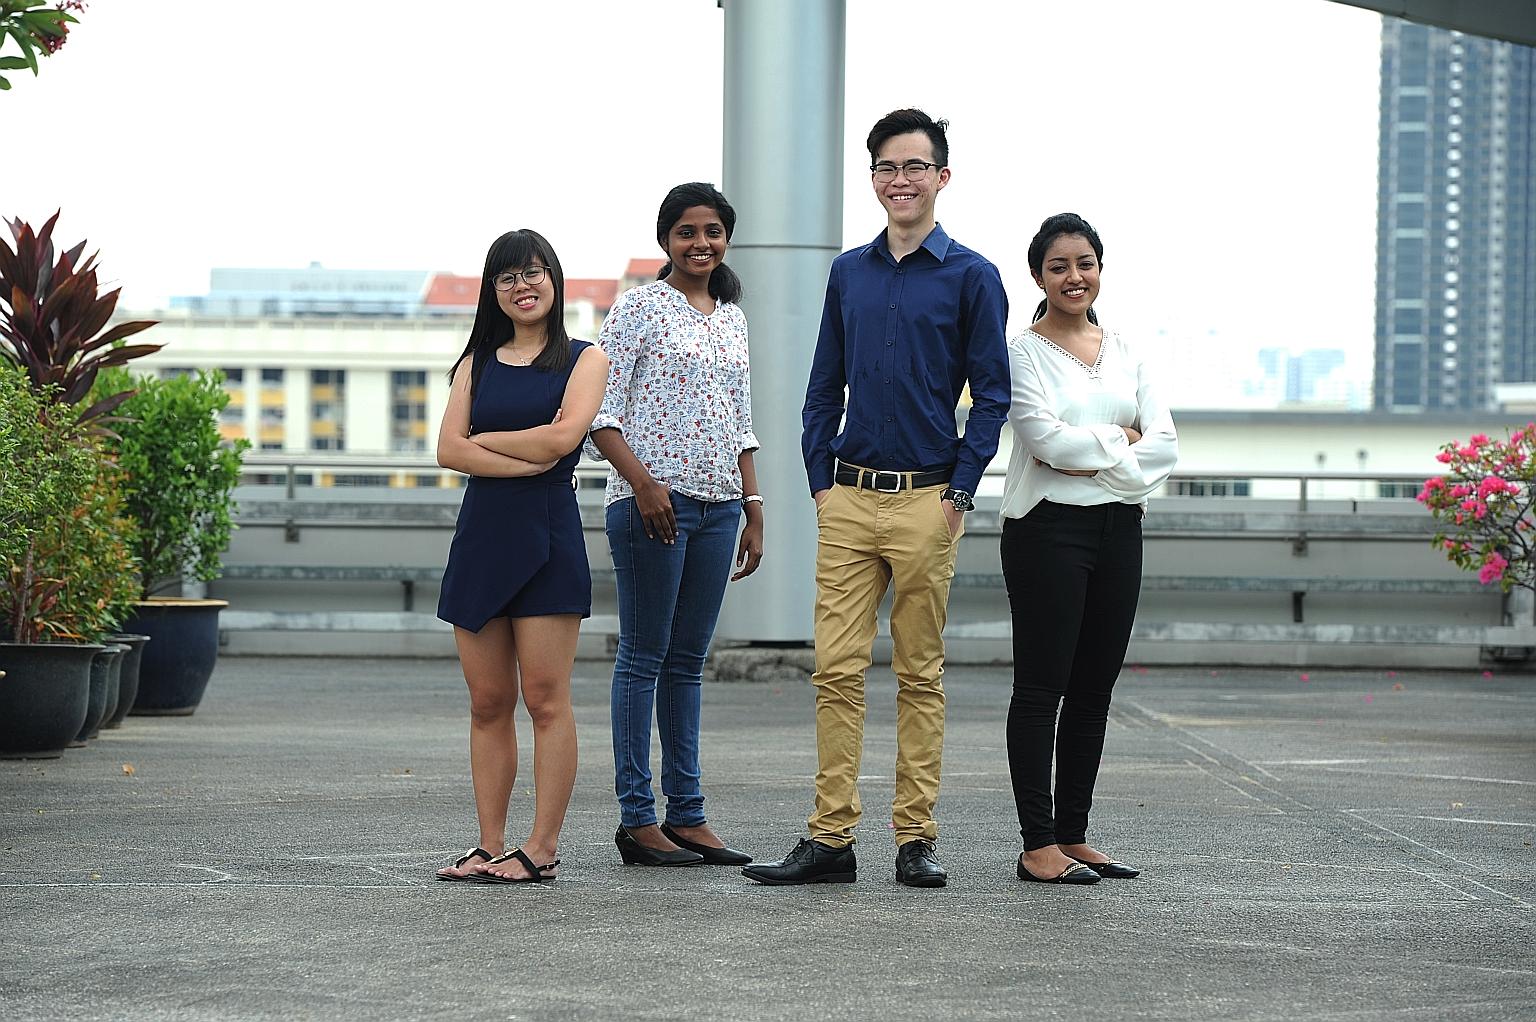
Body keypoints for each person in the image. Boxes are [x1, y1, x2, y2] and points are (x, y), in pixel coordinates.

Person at [744, 109, 1009, 888]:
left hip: (929, 500)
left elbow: (991, 396)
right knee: (835, 670)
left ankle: (914, 840)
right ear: (873, 179)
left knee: (920, 674)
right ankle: (830, 840)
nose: (901, 180)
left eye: (915, 167)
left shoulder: (972, 276)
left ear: (942, 178)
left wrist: (959, 490)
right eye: (887, 168)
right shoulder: (848, 273)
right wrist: (820, 481)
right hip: (851, 498)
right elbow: (823, 385)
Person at [999, 213, 1177, 885]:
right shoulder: (1022, 353)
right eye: (1059, 266)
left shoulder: (1126, 348)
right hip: (1047, 531)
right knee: (1042, 687)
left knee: (1094, 688)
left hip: (1118, 529)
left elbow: (1165, 442)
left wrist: (1100, 457)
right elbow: (1045, 442)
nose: (1075, 276)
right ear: (1039, 277)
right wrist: (1121, 443)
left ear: (1100, 268)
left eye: (1085, 263)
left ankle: (1074, 833)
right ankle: (1036, 842)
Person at [589, 182, 763, 868]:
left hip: (720, 506)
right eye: (688, 232)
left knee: (689, 664)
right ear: (666, 239)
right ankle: (638, 819)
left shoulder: (733, 318)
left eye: (713, 231)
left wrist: (754, 507)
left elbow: (742, 418)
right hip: (651, 506)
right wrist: (643, 484)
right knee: (643, 657)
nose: (702, 243)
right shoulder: (637, 308)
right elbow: (599, 409)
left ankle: (687, 815)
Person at [433, 229, 609, 884]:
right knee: (486, 701)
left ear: (554, 280)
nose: (523, 285)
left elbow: (566, 441)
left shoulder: (585, 358)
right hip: (481, 539)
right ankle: (488, 844)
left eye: (534, 272)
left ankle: (541, 847)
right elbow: (449, 451)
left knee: (544, 698)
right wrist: (525, 453)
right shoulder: (474, 363)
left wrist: (490, 442)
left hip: (548, 538)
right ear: (493, 290)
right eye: (508, 277)